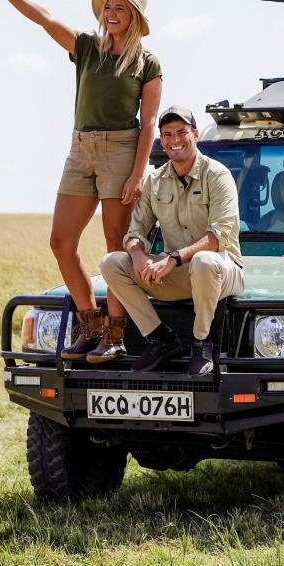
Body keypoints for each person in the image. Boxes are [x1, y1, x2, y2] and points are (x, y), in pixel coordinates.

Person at [0, 0, 162, 358]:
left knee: (115, 249)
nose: (111, 14)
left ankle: (114, 335)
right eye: (107, 7)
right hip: (80, 148)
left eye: (119, 8)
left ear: (135, 17)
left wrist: (137, 173)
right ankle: (90, 324)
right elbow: (44, 18)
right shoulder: (87, 47)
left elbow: (150, 122)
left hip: (122, 149)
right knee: (61, 243)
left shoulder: (147, 63)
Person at [95, 106, 244, 375]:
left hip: (222, 271)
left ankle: (201, 343)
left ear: (195, 135)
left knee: (204, 261)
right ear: (162, 141)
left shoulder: (218, 175)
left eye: (181, 132)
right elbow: (134, 231)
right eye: (168, 134)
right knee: (111, 263)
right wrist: (140, 258)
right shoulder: (155, 180)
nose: (175, 140)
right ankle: (161, 339)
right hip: (177, 273)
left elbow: (218, 236)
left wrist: (172, 258)